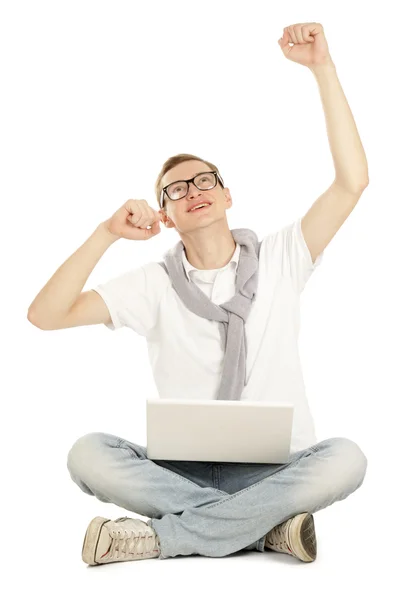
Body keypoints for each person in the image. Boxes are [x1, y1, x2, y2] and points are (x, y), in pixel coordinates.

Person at [27, 153, 368, 566]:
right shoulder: (153, 284)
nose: (193, 191)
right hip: (181, 474)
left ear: (227, 196)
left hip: (277, 469)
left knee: (346, 459)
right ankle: (265, 527)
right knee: (86, 454)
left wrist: (326, 82)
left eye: (205, 181)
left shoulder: (281, 257)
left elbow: (352, 182)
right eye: (176, 189)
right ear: (166, 216)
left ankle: (162, 537)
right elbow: (45, 315)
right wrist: (106, 233)